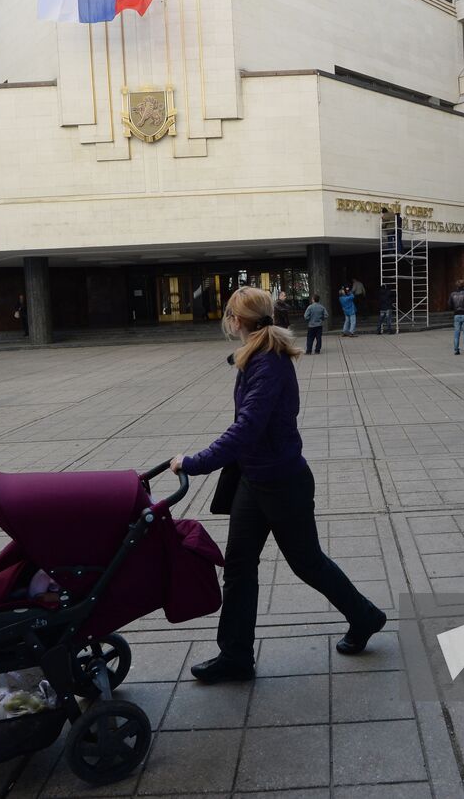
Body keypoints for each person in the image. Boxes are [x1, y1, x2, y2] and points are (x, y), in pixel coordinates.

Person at [170, 286, 386, 683]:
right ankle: (235, 655)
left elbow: (248, 428)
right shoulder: (256, 356)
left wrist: (195, 462)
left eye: (230, 316)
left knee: (307, 563)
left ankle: (365, 616)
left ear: (236, 320)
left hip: (283, 482)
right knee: (238, 565)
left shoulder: (268, 363)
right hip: (255, 480)